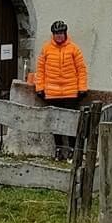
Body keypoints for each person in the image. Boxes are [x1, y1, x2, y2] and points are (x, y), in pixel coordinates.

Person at [31, 19, 89, 158]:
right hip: (52, 92)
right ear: (53, 35)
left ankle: (73, 150)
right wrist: (40, 88)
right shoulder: (46, 49)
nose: (59, 36)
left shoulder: (74, 49)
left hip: (70, 92)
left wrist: (82, 88)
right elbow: (41, 70)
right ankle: (58, 148)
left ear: (65, 34)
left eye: (61, 33)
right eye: (56, 33)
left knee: (71, 122)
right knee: (56, 122)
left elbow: (81, 69)